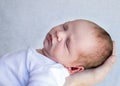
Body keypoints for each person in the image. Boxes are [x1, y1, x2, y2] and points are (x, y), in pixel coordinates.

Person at [0, 19, 114, 86]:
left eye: (67, 43)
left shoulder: (50, 71)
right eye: (65, 27)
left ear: (74, 68)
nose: (59, 34)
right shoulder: (45, 59)